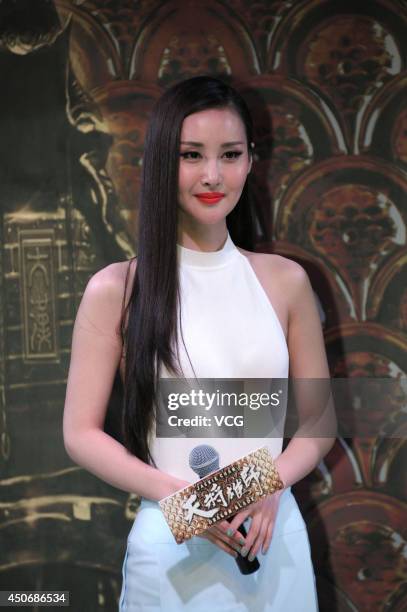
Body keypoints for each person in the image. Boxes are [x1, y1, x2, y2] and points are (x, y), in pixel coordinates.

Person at [63, 75, 336, 611]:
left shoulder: (285, 282)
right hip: (171, 549)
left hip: (272, 543)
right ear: (164, 161)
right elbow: (80, 433)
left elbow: (318, 423)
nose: (213, 175)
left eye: (230, 154)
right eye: (192, 155)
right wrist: (187, 503)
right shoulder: (115, 290)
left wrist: (268, 483)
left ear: (251, 162)